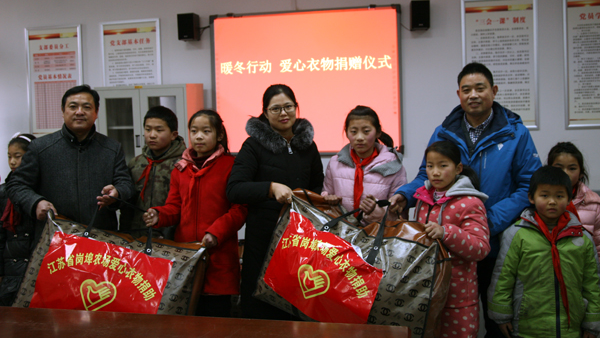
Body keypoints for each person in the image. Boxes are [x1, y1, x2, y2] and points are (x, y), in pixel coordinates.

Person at [389, 62, 541, 337]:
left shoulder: (515, 133)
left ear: (494, 91)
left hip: (496, 241)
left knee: (497, 319)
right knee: (447, 317)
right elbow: (426, 174)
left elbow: (528, 186)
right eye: (466, 89)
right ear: (458, 94)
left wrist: (490, 220)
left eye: (480, 88)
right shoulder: (444, 131)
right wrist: (404, 195)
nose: (473, 95)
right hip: (449, 252)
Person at [226, 84, 324, 320]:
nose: (283, 113)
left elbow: (316, 186)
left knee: (295, 307)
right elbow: (234, 189)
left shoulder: (308, 147)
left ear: (296, 107)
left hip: (298, 239)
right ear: (265, 112)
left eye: (288, 107)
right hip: (263, 238)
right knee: (260, 309)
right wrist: (270, 188)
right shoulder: (253, 146)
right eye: (276, 109)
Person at [144, 109, 247, 317]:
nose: (199, 136)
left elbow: (239, 210)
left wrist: (215, 233)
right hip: (186, 258)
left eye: (206, 131)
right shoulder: (180, 169)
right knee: (187, 321)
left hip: (218, 256)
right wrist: (158, 215)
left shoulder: (231, 166)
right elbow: (175, 208)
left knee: (216, 321)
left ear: (219, 134)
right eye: (194, 131)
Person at [7, 85, 135, 238]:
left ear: (96, 112)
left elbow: (126, 183)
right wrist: (36, 202)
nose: (79, 112)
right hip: (54, 238)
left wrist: (117, 192)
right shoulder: (40, 147)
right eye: (73, 107)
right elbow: (16, 185)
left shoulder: (112, 148)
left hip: (101, 238)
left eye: (86, 107)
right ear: (63, 111)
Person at [488, 166, 600, 338]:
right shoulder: (516, 234)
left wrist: (592, 322)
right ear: (531, 197)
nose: (552, 201)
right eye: (545, 195)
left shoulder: (582, 237)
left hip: (571, 329)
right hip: (527, 328)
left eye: (559, 196)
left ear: (569, 199)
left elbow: (592, 283)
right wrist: (501, 315)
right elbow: (503, 276)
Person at [413, 141, 490, 337]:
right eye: (430, 166)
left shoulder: (470, 202)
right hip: (423, 295)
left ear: (458, 168)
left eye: (443, 165)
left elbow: (480, 248)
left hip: (457, 298)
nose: (435, 172)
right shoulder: (422, 199)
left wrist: (447, 232)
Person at [321, 105, 407, 224]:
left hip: (377, 233)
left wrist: (377, 212)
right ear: (346, 133)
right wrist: (329, 200)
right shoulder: (335, 163)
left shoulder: (393, 165)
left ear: (378, 132)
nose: (360, 137)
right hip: (341, 232)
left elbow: (400, 216)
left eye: (366, 131)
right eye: (354, 132)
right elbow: (323, 205)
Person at [123, 106, 186, 239]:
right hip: (136, 236)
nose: (152, 135)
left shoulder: (183, 165)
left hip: (171, 238)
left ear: (173, 135)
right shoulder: (135, 164)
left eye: (159, 130)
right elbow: (127, 205)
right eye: (148, 129)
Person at [0, 134, 36, 306]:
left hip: (36, 266)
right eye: (9, 157)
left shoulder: (43, 189)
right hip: (11, 270)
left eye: (17, 156)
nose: (12, 162)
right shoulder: (4, 192)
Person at [548, 141, 600, 255]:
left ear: (581, 173)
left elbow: (598, 246)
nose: (565, 173)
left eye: (572, 168)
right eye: (559, 167)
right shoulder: (539, 201)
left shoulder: (593, 204)